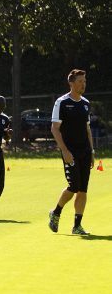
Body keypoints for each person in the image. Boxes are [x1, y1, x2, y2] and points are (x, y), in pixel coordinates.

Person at [48, 69, 94, 235]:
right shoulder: (62, 102)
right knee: (73, 186)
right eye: (80, 81)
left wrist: (92, 151)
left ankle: (77, 226)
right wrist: (65, 151)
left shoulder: (86, 103)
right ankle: (56, 212)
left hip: (85, 151)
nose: (83, 84)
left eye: (85, 81)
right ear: (71, 83)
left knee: (83, 190)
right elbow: (55, 129)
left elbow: (87, 129)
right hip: (70, 152)